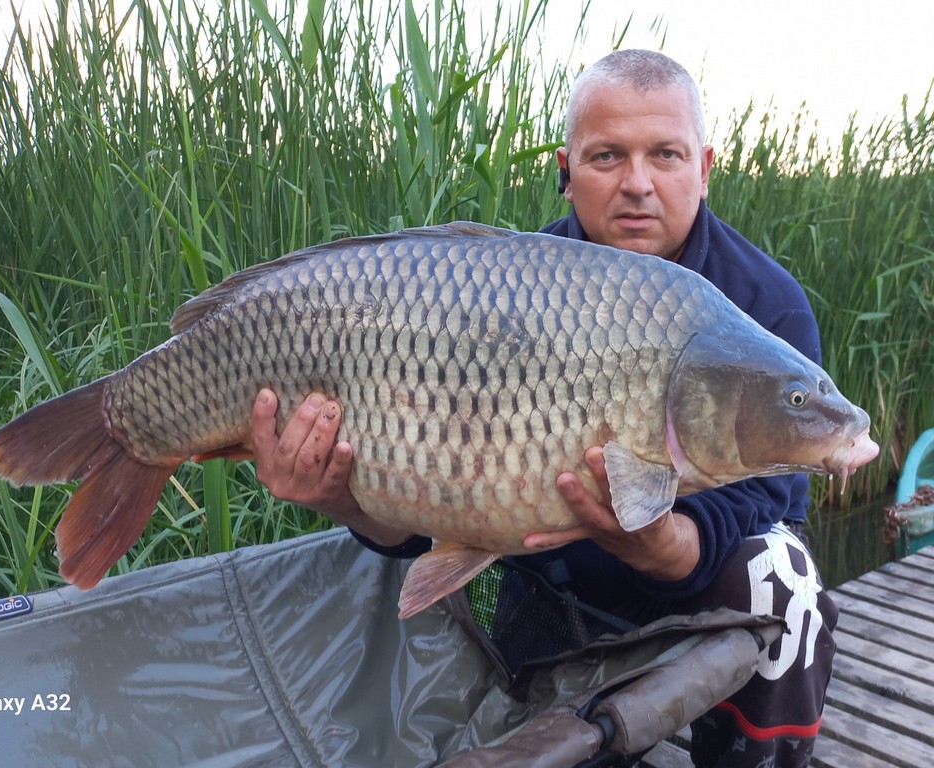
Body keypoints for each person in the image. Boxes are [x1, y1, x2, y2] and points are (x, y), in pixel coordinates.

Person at [248, 49, 836, 768]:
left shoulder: (766, 308)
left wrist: (658, 545)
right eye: (607, 156)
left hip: (696, 598)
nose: (638, 183)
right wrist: (345, 498)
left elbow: (762, 507)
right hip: (546, 600)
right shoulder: (503, 293)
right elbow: (420, 520)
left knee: (785, 574)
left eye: (666, 154)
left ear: (705, 168)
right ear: (566, 170)